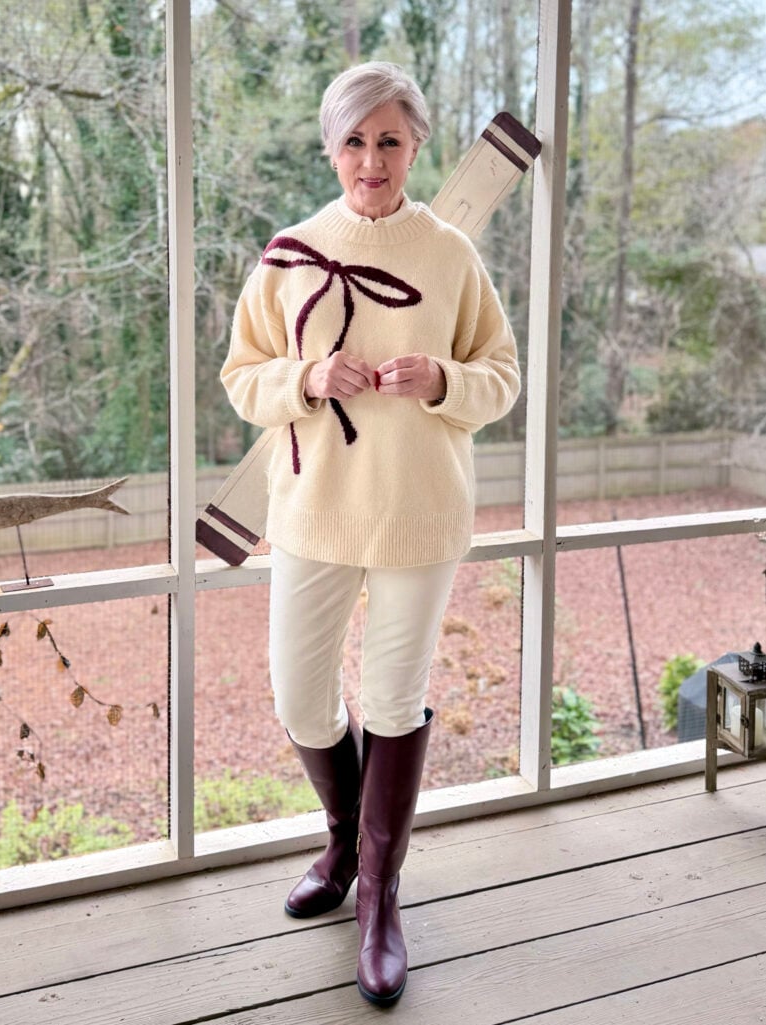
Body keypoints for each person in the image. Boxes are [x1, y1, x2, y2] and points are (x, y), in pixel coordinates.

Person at [221, 61, 521, 1007]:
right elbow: (241, 377)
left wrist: (441, 381)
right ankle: (346, 841)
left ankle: (380, 902)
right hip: (313, 511)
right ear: (330, 146)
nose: (371, 159)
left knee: (394, 699)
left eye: (389, 139)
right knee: (300, 697)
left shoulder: (448, 255)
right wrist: (306, 378)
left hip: (420, 514)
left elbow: (500, 376)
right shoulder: (290, 252)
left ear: (415, 145)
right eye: (354, 140)